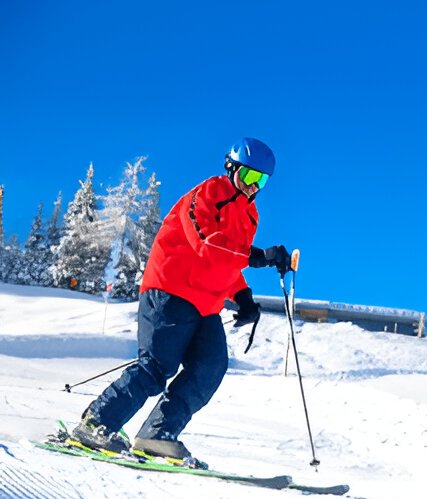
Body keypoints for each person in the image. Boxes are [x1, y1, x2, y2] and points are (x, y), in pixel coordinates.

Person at [69, 137, 292, 466]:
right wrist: (259, 257)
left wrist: (243, 297)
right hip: (170, 288)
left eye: (261, 181)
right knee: (156, 368)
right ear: (231, 168)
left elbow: (228, 261)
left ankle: (157, 436)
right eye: (248, 177)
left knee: (210, 368)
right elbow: (207, 245)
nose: (252, 186)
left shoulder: (250, 215)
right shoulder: (207, 195)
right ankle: (95, 425)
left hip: (205, 304)